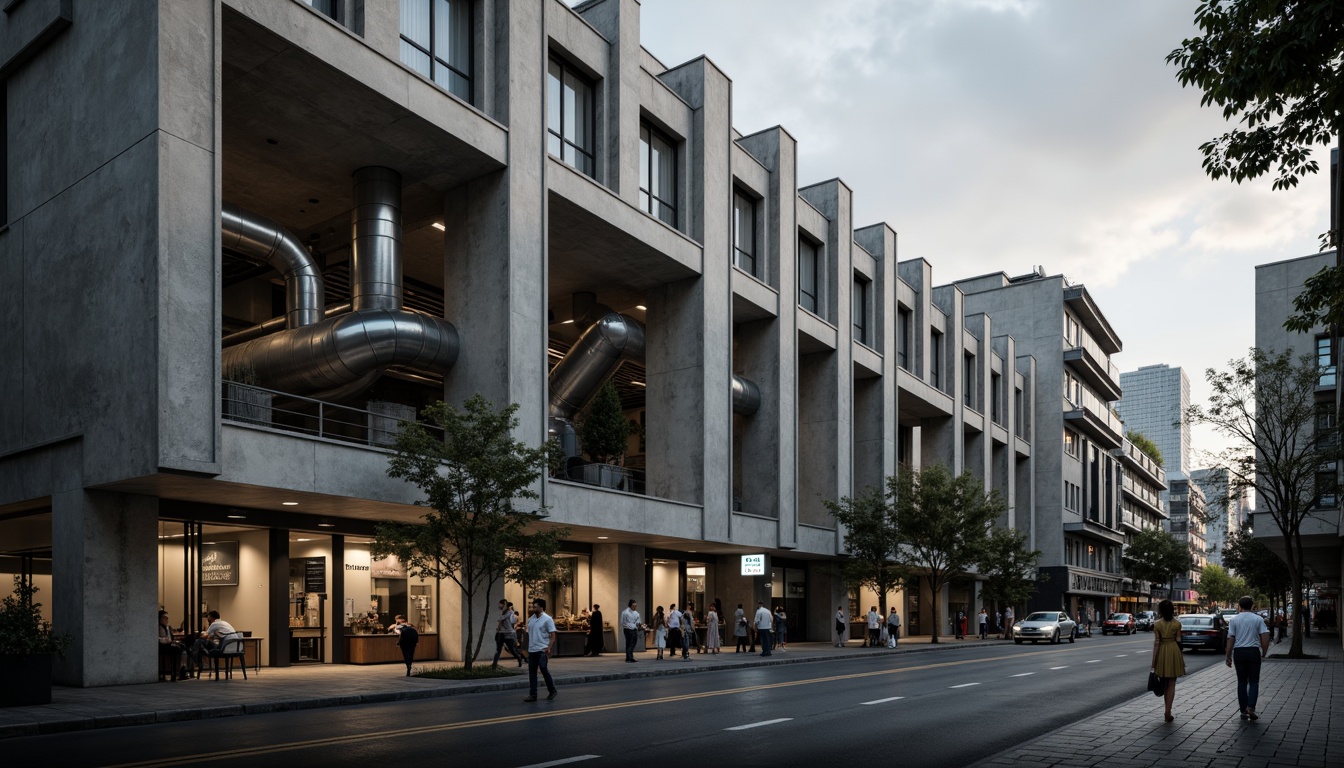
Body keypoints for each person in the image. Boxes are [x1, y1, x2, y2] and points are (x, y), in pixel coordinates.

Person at [1225, 595, 1271, 721]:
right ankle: (1251, 707)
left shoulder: (1234, 620)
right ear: (1252, 606)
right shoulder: (1258, 619)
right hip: (1253, 651)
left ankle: (1243, 710)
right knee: (1254, 681)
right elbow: (1264, 636)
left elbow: (1231, 638)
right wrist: (1264, 651)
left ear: (1239, 606)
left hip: (1239, 652)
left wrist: (1228, 656)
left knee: (1241, 682)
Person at [1150, 598, 1186, 722]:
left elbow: (1156, 643)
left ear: (1160, 611)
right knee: (1171, 683)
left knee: (1164, 682)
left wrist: (1153, 662)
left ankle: (1166, 710)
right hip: (1174, 650)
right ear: (1172, 610)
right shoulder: (1177, 624)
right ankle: (1168, 711)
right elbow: (1179, 640)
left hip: (1162, 652)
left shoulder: (1157, 624)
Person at [523, 598, 558, 702]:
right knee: (532, 672)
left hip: (542, 649)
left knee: (543, 669)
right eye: (533, 606)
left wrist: (549, 647)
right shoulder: (531, 619)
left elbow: (552, 634)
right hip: (532, 649)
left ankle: (552, 690)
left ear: (541, 607)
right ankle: (533, 694)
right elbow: (528, 632)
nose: (534, 608)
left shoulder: (547, 619)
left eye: (535, 606)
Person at [190, 610, 237, 676]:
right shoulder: (225, 623)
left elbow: (206, 635)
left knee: (200, 641)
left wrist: (200, 634)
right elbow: (214, 635)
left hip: (224, 647)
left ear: (211, 617)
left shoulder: (214, 624)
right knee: (203, 643)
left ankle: (195, 657)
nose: (207, 618)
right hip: (234, 647)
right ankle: (196, 656)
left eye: (208, 616)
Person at [492, 600, 524, 668]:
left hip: (508, 634)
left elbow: (503, 620)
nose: (499, 606)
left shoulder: (510, 613)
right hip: (501, 634)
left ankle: (519, 658)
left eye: (500, 604)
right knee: (498, 649)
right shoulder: (502, 613)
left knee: (512, 650)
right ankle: (494, 665)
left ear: (504, 605)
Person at [158, 610, 189, 680]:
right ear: (159, 618)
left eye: (167, 618)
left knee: (182, 647)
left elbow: (170, 638)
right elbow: (161, 638)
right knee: (177, 648)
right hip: (162, 646)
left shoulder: (168, 627)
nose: (166, 620)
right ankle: (177, 671)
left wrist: (170, 640)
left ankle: (182, 669)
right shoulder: (158, 627)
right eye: (164, 618)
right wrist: (165, 639)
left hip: (168, 644)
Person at [619, 599, 643, 663]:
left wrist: (640, 625)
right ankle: (629, 657)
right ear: (630, 605)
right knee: (629, 643)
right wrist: (629, 625)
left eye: (636, 605)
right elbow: (622, 622)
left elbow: (638, 622)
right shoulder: (625, 613)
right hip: (628, 629)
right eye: (633, 605)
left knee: (634, 643)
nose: (635, 607)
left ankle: (630, 656)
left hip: (634, 628)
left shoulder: (637, 613)